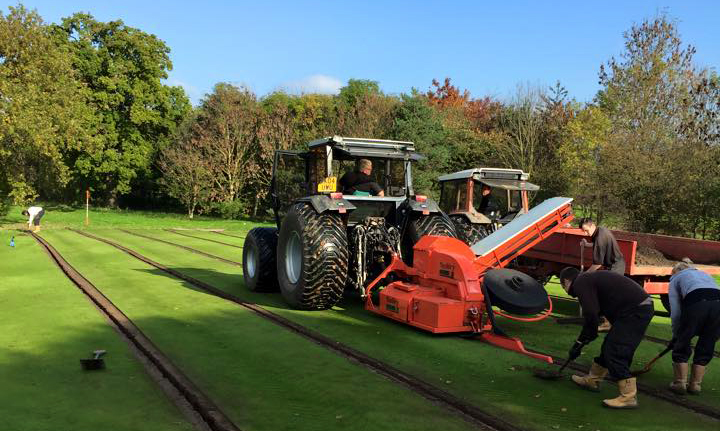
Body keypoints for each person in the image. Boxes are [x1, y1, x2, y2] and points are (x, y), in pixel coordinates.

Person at [559, 266, 654, 409]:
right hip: (633, 309)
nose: (565, 290)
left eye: (562, 286)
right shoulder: (588, 279)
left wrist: (581, 340)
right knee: (610, 344)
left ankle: (628, 396)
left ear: (566, 281)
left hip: (636, 310)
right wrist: (583, 339)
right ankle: (593, 380)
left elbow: (591, 314)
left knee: (616, 349)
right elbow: (595, 314)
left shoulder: (581, 282)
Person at [667, 259, 720, 395]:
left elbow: (676, 311)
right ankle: (695, 385)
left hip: (696, 303)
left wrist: (676, 335)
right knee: (707, 342)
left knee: (683, 342)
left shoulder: (675, 278)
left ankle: (680, 383)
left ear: (675, 271)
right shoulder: (705, 274)